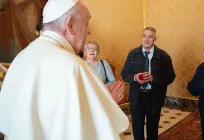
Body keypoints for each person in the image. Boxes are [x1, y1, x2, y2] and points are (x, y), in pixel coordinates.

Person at [0, 0, 129, 140]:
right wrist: (106, 104)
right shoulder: (74, 66)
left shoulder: (22, 57)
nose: (89, 30)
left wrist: (98, 97)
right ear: (70, 25)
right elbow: (83, 131)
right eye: (86, 23)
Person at [121, 27, 176, 140]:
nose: (147, 39)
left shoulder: (163, 56)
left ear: (155, 38)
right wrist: (135, 77)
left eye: (150, 36)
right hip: (136, 97)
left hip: (154, 98)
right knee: (137, 129)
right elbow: (124, 74)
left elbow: (170, 77)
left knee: (152, 129)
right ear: (141, 37)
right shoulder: (132, 54)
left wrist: (153, 78)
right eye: (144, 36)